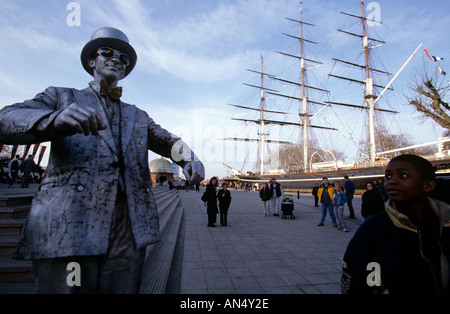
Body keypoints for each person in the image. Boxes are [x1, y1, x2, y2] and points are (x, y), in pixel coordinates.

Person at [0, 27, 204, 294]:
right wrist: (54, 120)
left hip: (128, 229)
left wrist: (189, 158)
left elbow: (167, 141)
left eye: (124, 58)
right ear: (92, 61)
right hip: (71, 224)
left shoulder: (138, 115)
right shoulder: (62, 97)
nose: (116, 58)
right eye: (106, 51)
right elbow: (6, 118)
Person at [341, 154, 450, 294]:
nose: (392, 181)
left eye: (403, 175)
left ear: (428, 185)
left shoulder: (445, 225)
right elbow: (358, 279)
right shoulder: (373, 229)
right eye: (388, 176)